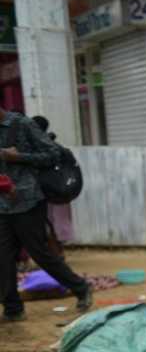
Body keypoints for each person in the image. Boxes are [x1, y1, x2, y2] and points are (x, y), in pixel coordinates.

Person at [0, 108, 91, 321]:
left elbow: (53, 154)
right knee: (3, 258)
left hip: (28, 201)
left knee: (39, 253)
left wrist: (18, 156)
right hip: (2, 204)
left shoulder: (22, 125)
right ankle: (13, 309)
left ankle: (81, 288)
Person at [30, 115, 76, 246]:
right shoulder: (55, 145)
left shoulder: (39, 146)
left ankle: (56, 251)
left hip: (47, 188)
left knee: (50, 220)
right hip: (60, 187)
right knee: (58, 219)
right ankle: (57, 249)